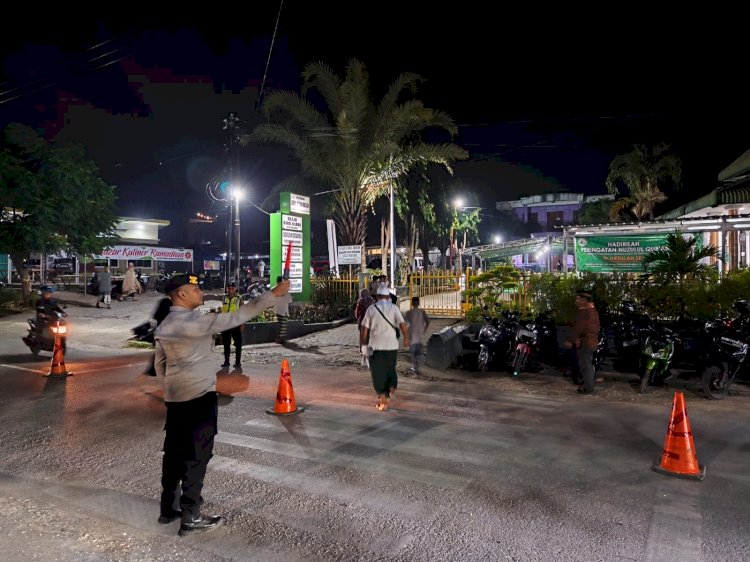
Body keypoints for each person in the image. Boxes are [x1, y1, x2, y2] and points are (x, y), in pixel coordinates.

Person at [153, 273, 290, 536]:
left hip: (176, 398)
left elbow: (160, 366)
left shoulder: (165, 324)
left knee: (173, 454)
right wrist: (273, 295)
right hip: (199, 398)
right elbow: (238, 316)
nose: (200, 291)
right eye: (195, 288)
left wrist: (175, 386)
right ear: (181, 294)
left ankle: (168, 508)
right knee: (197, 456)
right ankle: (191, 515)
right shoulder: (195, 322)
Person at [360, 285, 408, 411]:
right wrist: (406, 339)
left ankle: (384, 403)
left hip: (375, 346)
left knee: (377, 374)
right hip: (392, 346)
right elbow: (403, 324)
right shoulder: (394, 308)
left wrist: (363, 346)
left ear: (376, 297)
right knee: (390, 368)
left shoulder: (371, 309)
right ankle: (392, 387)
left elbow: (364, 330)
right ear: (388, 297)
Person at [564, 290, 601, 395]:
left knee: (586, 366)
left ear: (584, 300)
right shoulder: (593, 311)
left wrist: (570, 340)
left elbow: (579, 328)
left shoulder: (584, 312)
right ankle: (587, 384)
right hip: (593, 341)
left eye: (578, 298)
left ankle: (588, 388)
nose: (576, 301)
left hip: (585, 342)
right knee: (589, 364)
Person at [404, 296, 430, 374]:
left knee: (413, 349)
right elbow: (428, 322)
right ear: (418, 303)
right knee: (416, 347)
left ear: (412, 303)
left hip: (412, 332)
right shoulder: (422, 312)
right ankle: (416, 365)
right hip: (419, 332)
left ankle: (415, 366)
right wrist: (424, 329)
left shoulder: (409, 312)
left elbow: (403, 323)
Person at [219, 282, 243, 369]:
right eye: (229, 288)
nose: (230, 289)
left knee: (238, 343)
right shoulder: (224, 297)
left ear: (235, 288)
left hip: (235, 324)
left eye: (232, 288)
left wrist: (242, 324)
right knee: (226, 343)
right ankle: (226, 361)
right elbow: (223, 310)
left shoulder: (239, 298)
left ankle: (237, 362)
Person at [354, 288, 375, 367]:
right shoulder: (372, 300)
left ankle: (362, 351)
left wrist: (357, 319)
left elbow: (357, 312)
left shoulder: (360, 301)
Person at [273, 275, 293, 343]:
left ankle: (280, 339)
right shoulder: (284, 290)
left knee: (280, 324)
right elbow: (290, 300)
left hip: (277, 309)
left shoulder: (274, 289)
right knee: (283, 325)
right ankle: (280, 339)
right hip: (283, 310)